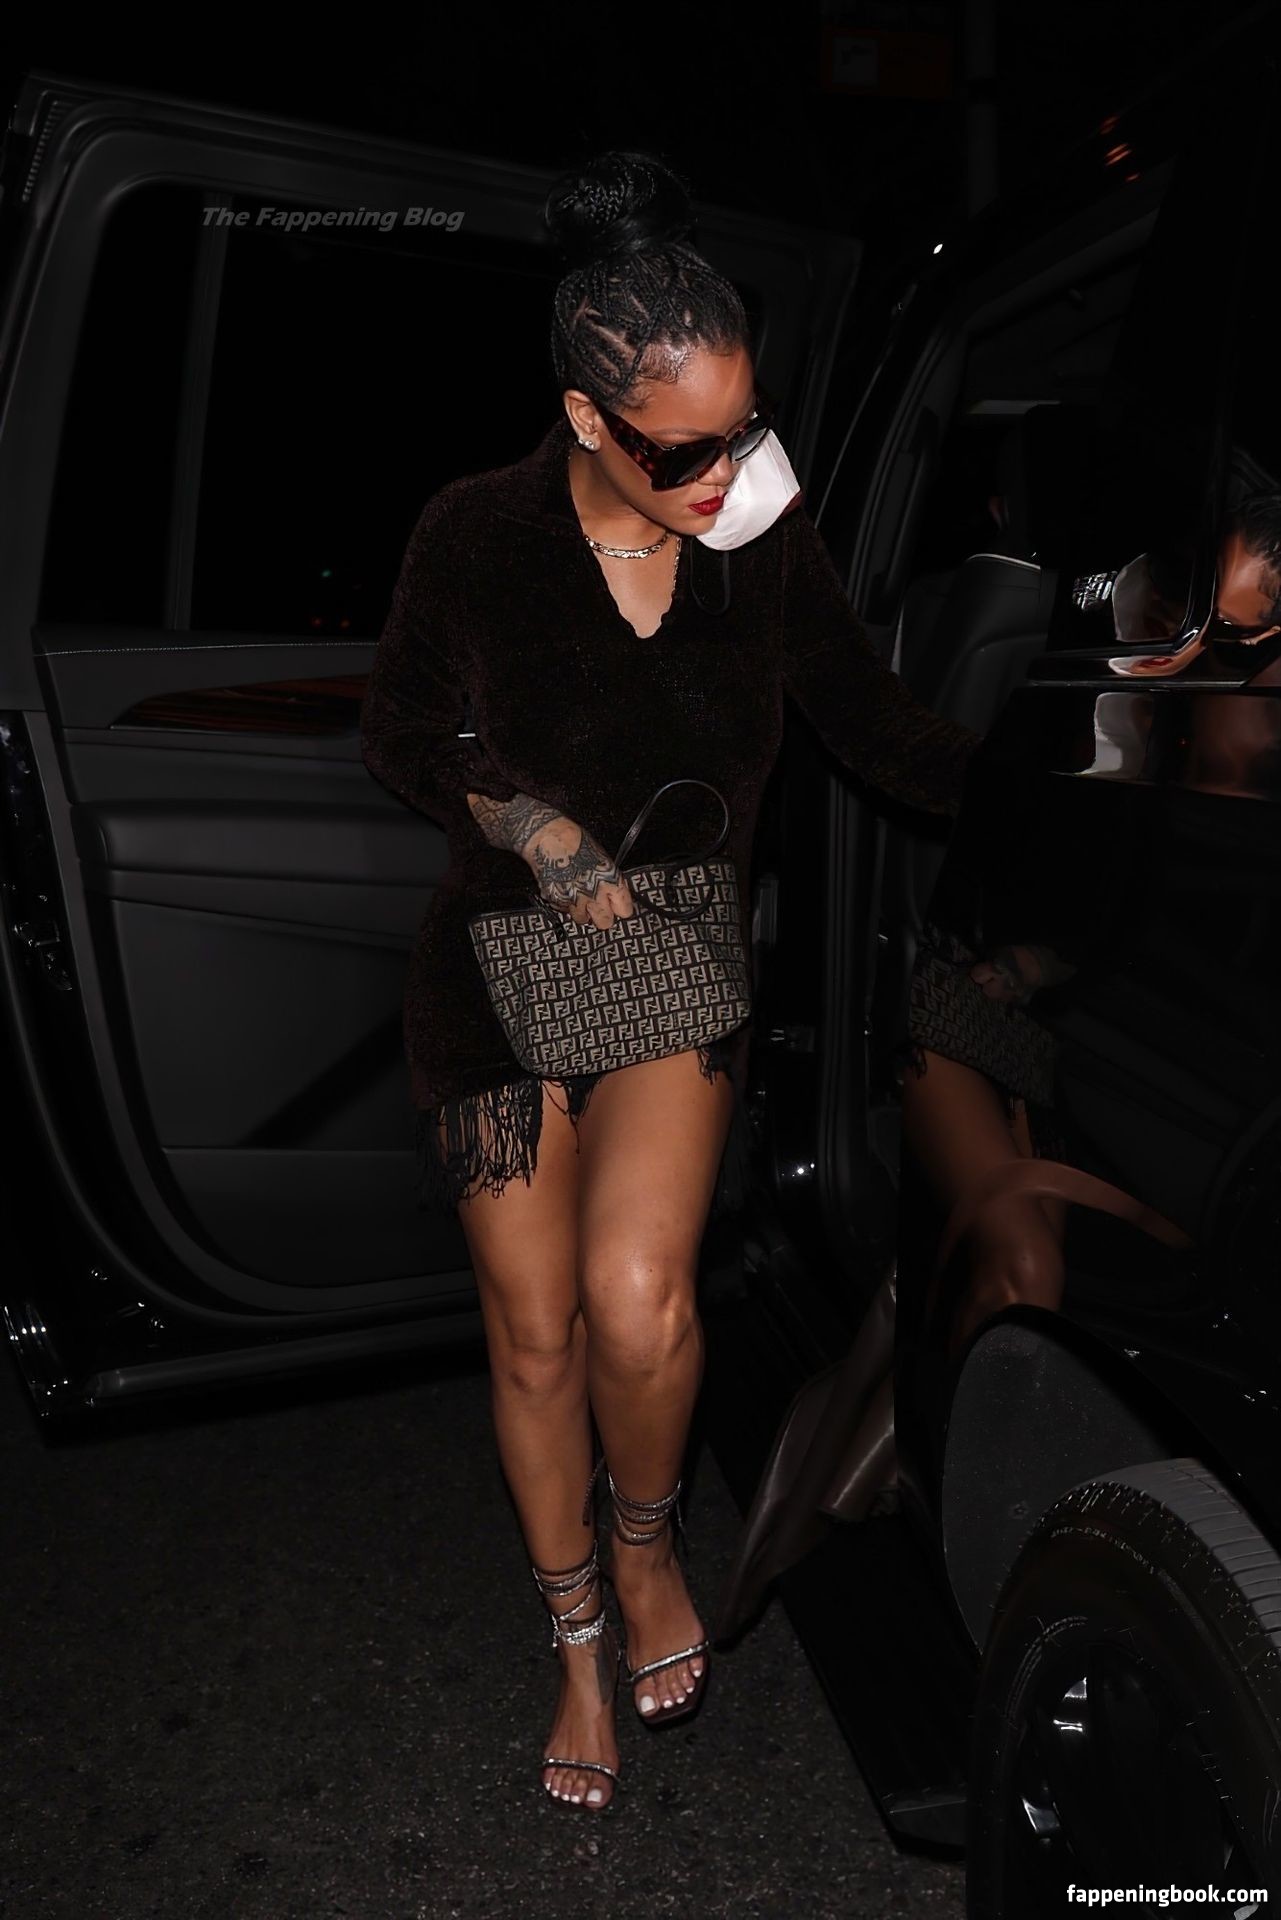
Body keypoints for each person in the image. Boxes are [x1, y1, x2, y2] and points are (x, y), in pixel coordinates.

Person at [358, 148, 978, 1814]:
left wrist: (1066, 774)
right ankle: (573, 1643)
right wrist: (531, 822)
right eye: (683, 449)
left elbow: (875, 724)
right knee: (535, 1334)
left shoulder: (758, 537)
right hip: (494, 966)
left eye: (744, 430)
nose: (727, 473)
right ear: (585, 418)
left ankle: (644, 1547)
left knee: (639, 1305)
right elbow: (399, 730)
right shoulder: (475, 534)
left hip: (673, 956)